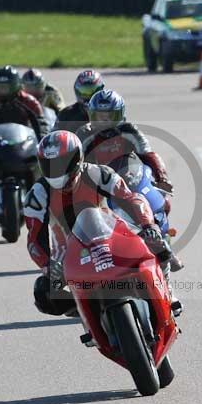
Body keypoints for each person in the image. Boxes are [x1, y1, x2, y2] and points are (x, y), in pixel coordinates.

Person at [24, 130, 174, 316]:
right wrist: (48, 264)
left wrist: (148, 226)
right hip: (68, 255)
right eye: (50, 165)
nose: (57, 170)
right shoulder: (38, 194)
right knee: (44, 292)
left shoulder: (98, 174)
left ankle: (167, 294)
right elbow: (34, 240)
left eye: (62, 163)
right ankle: (85, 312)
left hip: (112, 236)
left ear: (77, 158)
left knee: (159, 245)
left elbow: (132, 199)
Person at [76, 89, 183, 272]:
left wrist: (162, 177)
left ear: (120, 114)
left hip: (130, 179)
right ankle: (84, 256)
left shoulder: (129, 130)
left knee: (163, 202)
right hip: (98, 185)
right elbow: (74, 161)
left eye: (109, 116)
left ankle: (165, 246)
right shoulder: (84, 135)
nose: (104, 121)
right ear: (91, 115)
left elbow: (148, 153)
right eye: (99, 116)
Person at [0, 66, 49, 194]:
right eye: (0, 87)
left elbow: (41, 123)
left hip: (24, 143)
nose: (3, 91)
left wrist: (42, 142)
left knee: (44, 166)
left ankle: (42, 191)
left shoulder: (29, 101)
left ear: (16, 85)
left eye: (6, 87)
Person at [54, 69, 105, 134]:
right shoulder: (66, 115)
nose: (88, 97)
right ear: (77, 91)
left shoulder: (110, 113)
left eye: (91, 91)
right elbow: (55, 138)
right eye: (84, 92)